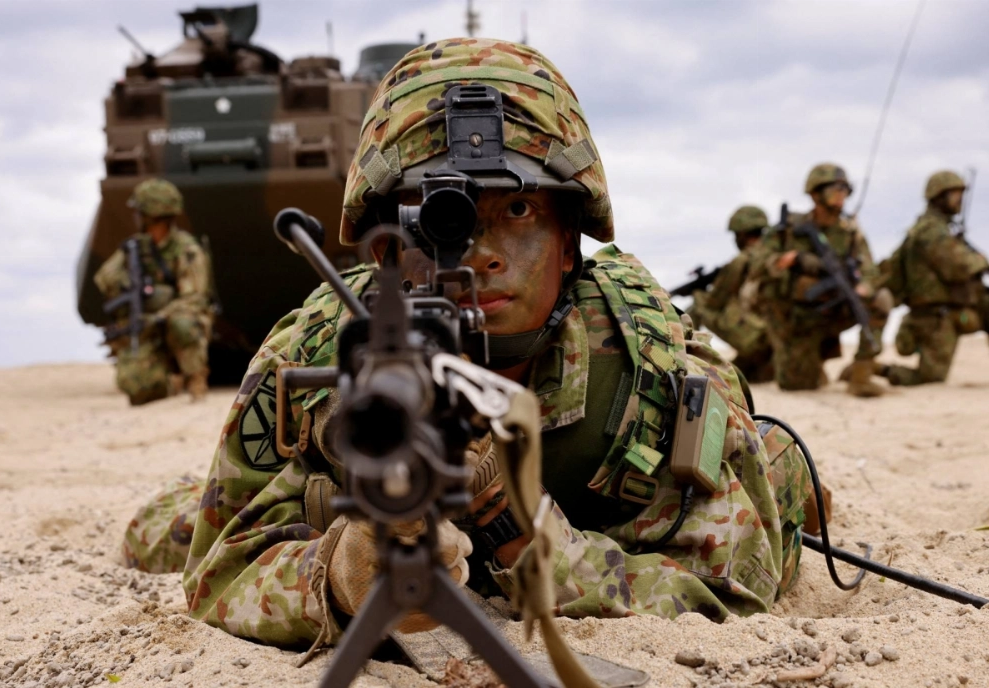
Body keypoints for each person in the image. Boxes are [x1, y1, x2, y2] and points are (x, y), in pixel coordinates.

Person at [122, 39, 816, 649]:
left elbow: (732, 577)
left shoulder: (644, 370)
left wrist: (526, 536)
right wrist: (339, 574)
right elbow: (220, 567)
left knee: (791, 485)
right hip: (347, 497)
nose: (479, 255)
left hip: (598, 518)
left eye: (518, 209)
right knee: (157, 532)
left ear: (570, 238)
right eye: (435, 218)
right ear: (385, 245)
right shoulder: (318, 348)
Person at [749, 164, 892, 397]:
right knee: (797, 385)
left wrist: (864, 286)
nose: (840, 196)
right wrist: (792, 260)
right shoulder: (791, 229)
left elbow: (870, 270)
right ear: (815, 194)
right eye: (834, 189)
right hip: (795, 319)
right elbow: (758, 264)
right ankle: (813, 362)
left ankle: (860, 375)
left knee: (882, 299)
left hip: (836, 308)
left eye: (845, 190)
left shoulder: (850, 233)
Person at [94, 178, 213, 404]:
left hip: (177, 318)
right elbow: (104, 277)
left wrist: (158, 317)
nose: (136, 216)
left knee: (182, 324)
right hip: (146, 320)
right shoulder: (135, 247)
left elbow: (194, 298)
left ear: (150, 215)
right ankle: (169, 382)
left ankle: (196, 381)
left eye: (139, 211)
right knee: (137, 390)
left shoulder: (187, 249)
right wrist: (127, 285)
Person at [878, 170, 988, 385]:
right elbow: (958, 268)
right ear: (939, 196)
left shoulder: (940, 228)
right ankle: (879, 369)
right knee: (930, 378)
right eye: (954, 194)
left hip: (951, 309)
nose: (959, 201)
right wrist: (981, 261)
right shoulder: (931, 231)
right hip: (935, 314)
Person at [688, 205, 774, 383]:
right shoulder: (774, 255)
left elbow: (714, 302)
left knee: (698, 305)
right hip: (775, 333)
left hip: (756, 337)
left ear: (741, 234)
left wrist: (697, 293)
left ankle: (682, 358)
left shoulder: (742, 261)